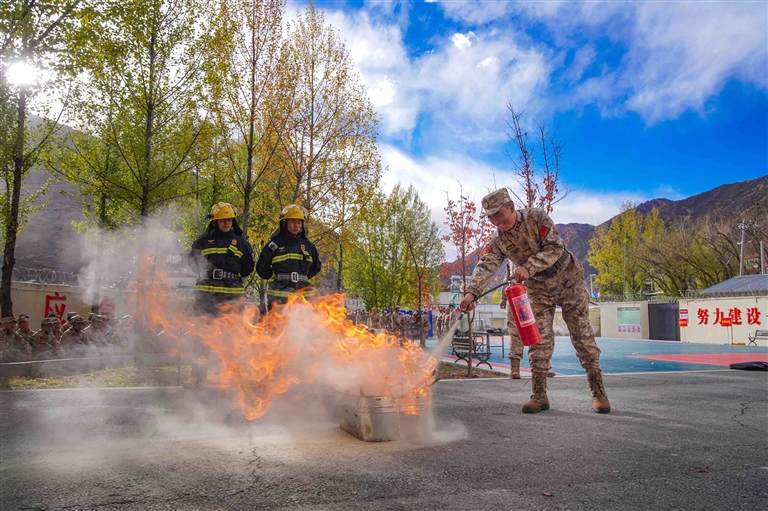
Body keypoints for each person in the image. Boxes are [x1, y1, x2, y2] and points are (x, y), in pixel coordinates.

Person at [459, 189, 610, 414]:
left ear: (511, 207)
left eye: (498, 214)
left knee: (582, 337)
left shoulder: (536, 218)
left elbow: (555, 247)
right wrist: (471, 293)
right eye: (490, 217)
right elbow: (487, 264)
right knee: (538, 341)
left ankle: (598, 392)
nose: (495, 221)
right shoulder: (498, 240)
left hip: (569, 281)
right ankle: (539, 396)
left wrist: (528, 267)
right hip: (538, 290)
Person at [186, 202, 255, 389]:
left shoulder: (241, 243)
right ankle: (197, 377)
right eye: (222, 219)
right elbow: (192, 262)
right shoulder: (201, 242)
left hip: (232, 297)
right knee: (201, 337)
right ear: (214, 222)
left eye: (229, 219)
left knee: (232, 338)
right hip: (206, 296)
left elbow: (248, 267)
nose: (226, 223)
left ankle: (234, 378)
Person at [256, 204, 321, 310]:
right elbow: (261, 267)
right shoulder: (273, 245)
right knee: (279, 323)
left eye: (299, 222)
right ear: (284, 223)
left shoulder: (309, 246)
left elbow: (316, 266)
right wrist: (274, 276)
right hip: (279, 292)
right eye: (292, 221)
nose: (296, 225)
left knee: (305, 323)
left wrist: (303, 277)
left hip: (303, 291)